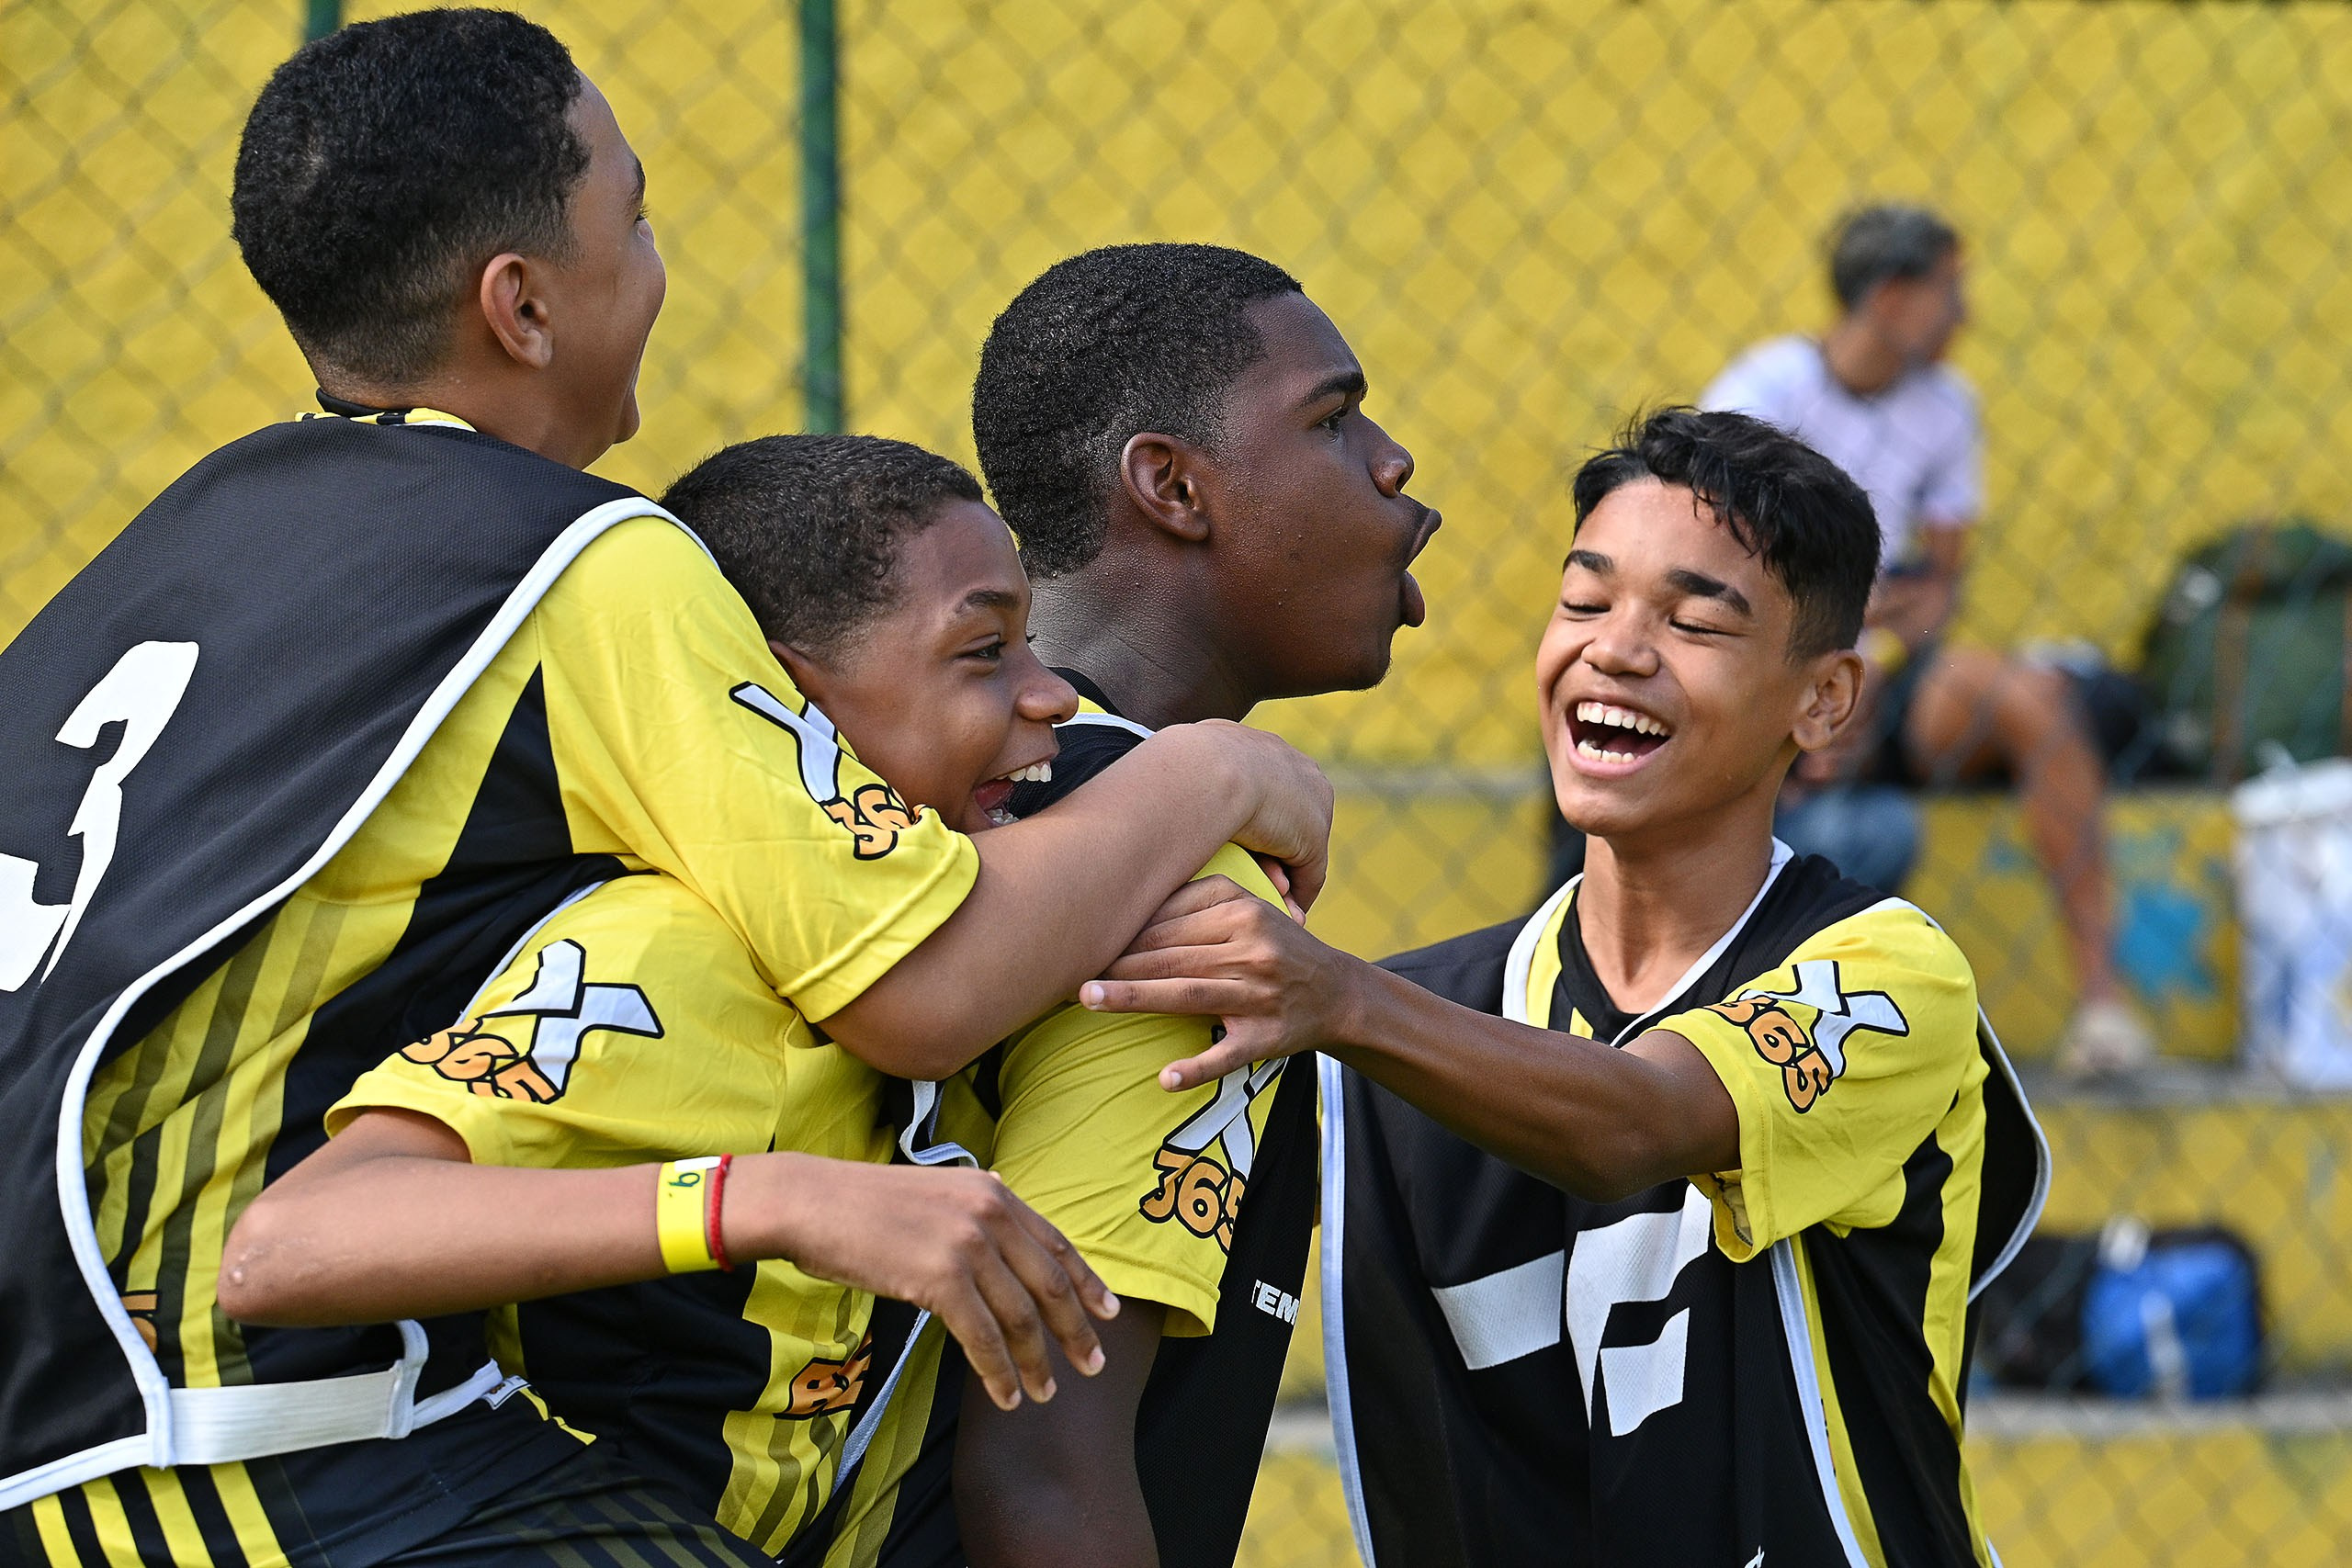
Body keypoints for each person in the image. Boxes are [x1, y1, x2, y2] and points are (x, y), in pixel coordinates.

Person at [0, 16, 1329, 1564]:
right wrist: (1217, 768)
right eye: (632, 216)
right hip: (240, 1437)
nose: (656, 259)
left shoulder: (173, 541)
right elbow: (927, 977)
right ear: (523, 305)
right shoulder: (579, 562)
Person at [1085, 409, 2048, 1565]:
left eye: (1693, 621)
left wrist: (1336, 1000)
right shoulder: (1405, 1027)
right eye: (1584, 602)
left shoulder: (1885, 974)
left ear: (1826, 701)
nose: (1617, 650)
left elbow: (1641, 1122)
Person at [219, 434, 1155, 1553]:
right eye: (981, 652)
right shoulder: (675, 957)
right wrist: (771, 1199)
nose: (1049, 695)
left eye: (1034, 647)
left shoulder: (997, 918)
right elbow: (288, 1246)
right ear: (790, 706)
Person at [784, 243, 1441, 1568]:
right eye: (1332, 417)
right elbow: (1043, 1465)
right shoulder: (1173, 875)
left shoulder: (942, 793)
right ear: (1174, 485)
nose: (1393, 463)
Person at [1702, 202, 2150, 1074]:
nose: (1965, 312)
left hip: (1885, 669)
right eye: (1951, 289)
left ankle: (2103, 1005)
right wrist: (1823, 665)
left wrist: (1872, 654)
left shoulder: (1947, 407)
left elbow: (1937, 589)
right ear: (1893, 296)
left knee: (2039, 698)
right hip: (1771, 666)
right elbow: (1724, 573)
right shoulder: (1763, 394)